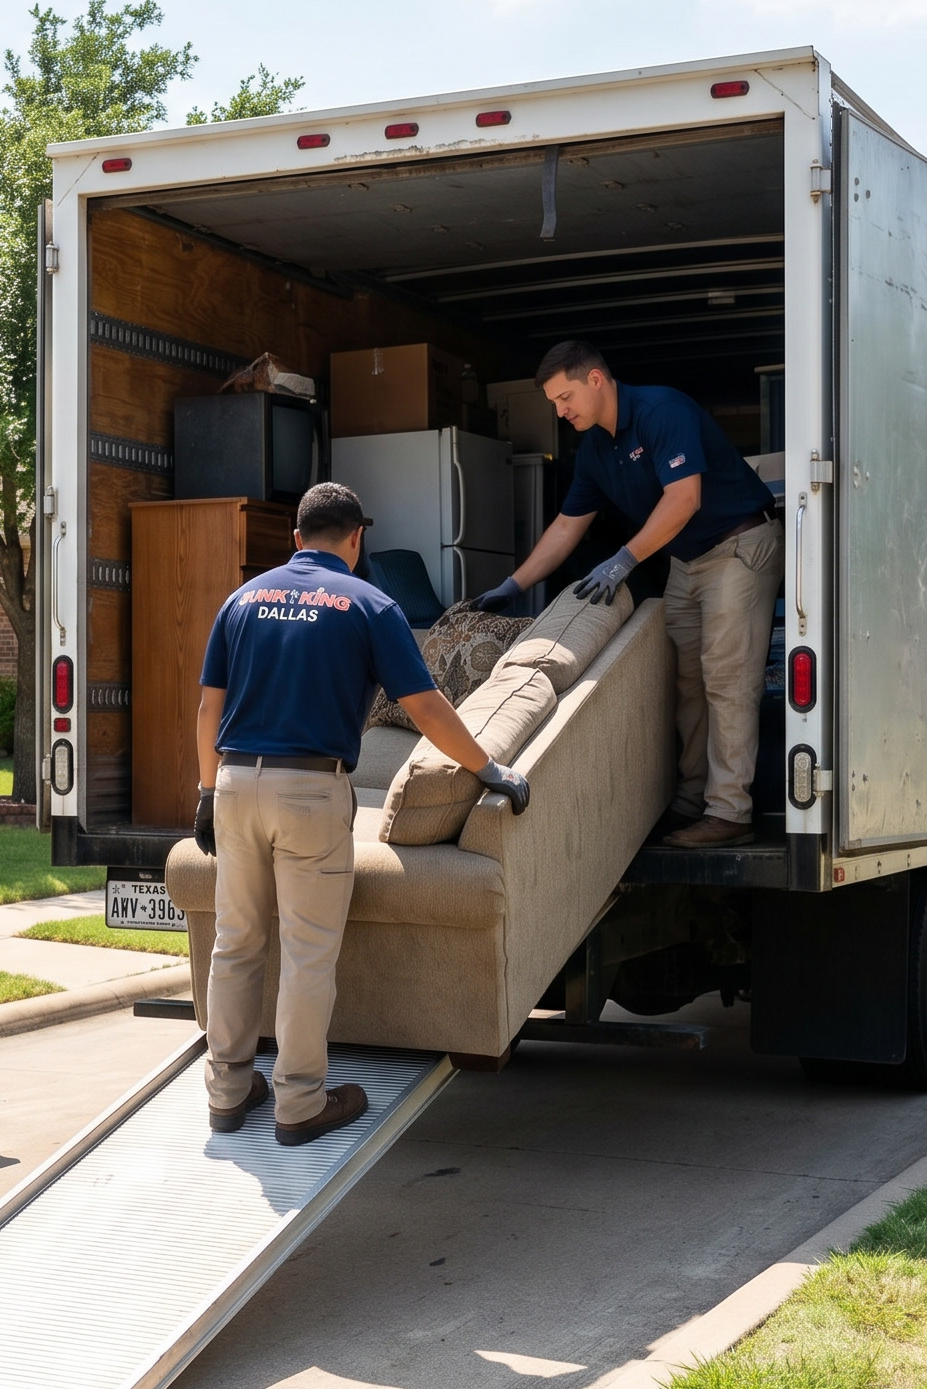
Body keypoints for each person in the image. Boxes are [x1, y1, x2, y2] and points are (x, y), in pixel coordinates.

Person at [194, 482, 530, 1145]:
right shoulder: (370, 604)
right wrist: (490, 769)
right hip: (310, 791)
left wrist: (206, 792)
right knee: (308, 953)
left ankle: (228, 1092)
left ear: (295, 539)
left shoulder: (242, 600)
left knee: (235, 944)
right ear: (357, 539)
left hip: (234, 782)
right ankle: (297, 1103)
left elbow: (209, 708)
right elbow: (427, 707)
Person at [476, 341, 779, 849]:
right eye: (554, 402)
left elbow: (684, 499)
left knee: (725, 678)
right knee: (686, 682)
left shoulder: (662, 411)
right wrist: (513, 586)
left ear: (596, 380)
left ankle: (731, 813)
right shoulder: (596, 448)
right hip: (688, 559)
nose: (561, 410)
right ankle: (690, 800)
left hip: (738, 545)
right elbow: (568, 525)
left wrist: (623, 560)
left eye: (565, 397)